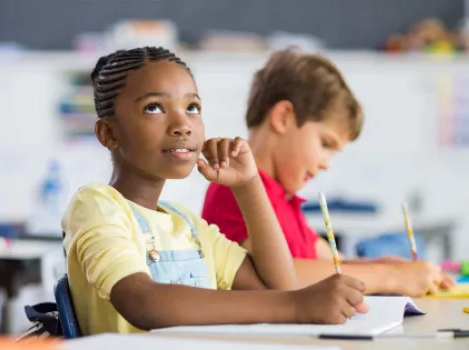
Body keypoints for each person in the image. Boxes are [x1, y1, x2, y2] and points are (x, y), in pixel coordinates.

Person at [61, 47, 368, 335]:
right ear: (108, 133)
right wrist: (297, 306)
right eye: (154, 108)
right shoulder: (98, 206)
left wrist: (249, 186)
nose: (183, 125)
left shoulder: (189, 226)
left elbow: (279, 286)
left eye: (192, 107)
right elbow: (143, 302)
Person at [202, 48, 454, 297]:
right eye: (325, 144)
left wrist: (383, 267)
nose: (326, 163)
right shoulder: (238, 189)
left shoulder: (283, 198)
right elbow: (280, 277)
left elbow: (332, 262)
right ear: (284, 118)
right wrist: (392, 278)